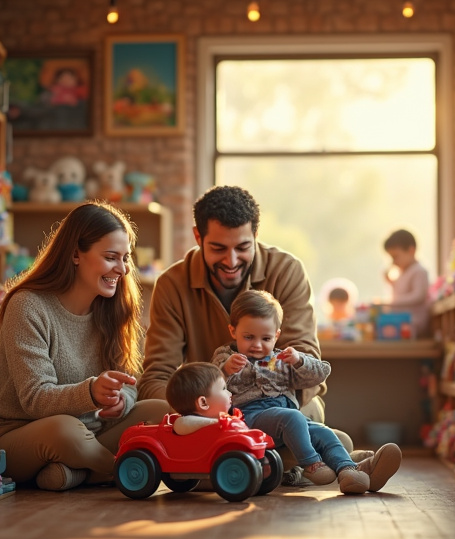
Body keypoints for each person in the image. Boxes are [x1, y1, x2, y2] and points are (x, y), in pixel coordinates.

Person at [137, 185, 361, 481]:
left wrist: (268, 399)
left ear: (256, 236)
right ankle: (301, 464)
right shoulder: (171, 284)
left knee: (306, 415)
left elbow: (307, 358)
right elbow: (157, 374)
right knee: (151, 409)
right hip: (207, 410)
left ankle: (254, 468)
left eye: (242, 247)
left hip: (284, 404)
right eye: (218, 248)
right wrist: (204, 412)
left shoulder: (287, 270)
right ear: (197, 237)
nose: (231, 262)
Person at [0, 201, 170, 491]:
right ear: (75, 255)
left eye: (125, 258)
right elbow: (35, 398)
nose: (121, 269)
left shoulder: (113, 310)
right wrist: (92, 392)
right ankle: (128, 472)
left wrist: (122, 402)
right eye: (111, 257)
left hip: (93, 435)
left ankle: (75, 474)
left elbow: (131, 382)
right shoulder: (28, 306)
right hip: (21, 435)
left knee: (162, 410)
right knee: (65, 430)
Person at [210, 290, 402, 494]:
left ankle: (349, 470)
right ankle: (312, 465)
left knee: (324, 433)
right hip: (250, 419)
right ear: (233, 331)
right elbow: (209, 387)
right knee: (292, 417)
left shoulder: (281, 359)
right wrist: (224, 370)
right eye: (248, 337)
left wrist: (300, 361)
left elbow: (320, 375)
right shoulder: (227, 355)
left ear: (276, 335)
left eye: (265, 338)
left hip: (290, 420)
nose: (257, 345)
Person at [382, 229, 431, 337]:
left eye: (395, 256)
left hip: (413, 322)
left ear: (411, 250)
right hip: (399, 319)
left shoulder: (419, 271)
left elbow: (418, 296)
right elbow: (401, 292)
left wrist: (390, 302)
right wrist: (391, 284)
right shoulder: (402, 273)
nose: (393, 262)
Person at [165, 362, 234, 435]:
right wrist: (219, 423)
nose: (230, 394)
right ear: (203, 403)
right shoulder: (184, 424)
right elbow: (183, 423)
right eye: (223, 388)